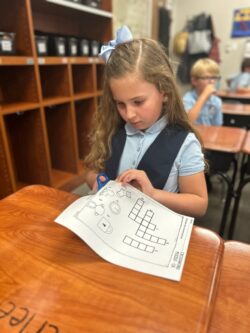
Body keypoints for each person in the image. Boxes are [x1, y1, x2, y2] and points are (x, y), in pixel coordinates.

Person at [84, 26, 208, 217]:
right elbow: (92, 173)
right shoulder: (112, 129)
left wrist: (153, 194)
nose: (129, 114)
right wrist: (99, 181)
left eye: (138, 102)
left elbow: (199, 204)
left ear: (164, 91)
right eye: (120, 104)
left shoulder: (185, 142)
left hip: (154, 227)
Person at [183, 58, 223, 126]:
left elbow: (217, 126)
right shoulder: (188, 99)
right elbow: (188, 121)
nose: (211, 81)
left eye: (214, 77)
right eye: (206, 78)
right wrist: (204, 95)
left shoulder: (216, 101)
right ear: (194, 81)